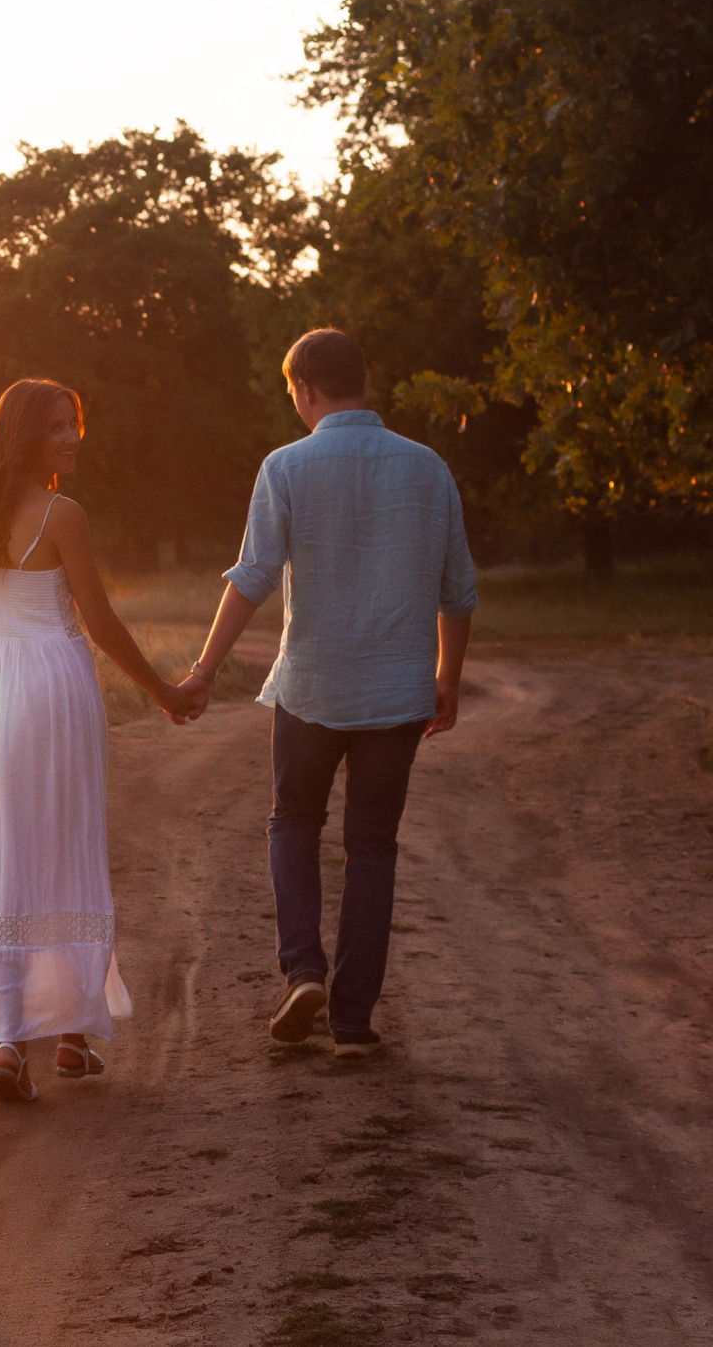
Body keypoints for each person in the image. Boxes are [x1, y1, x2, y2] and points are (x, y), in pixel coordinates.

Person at [177, 328, 477, 1058]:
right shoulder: (428, 467)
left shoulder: (286, 466)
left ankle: (303, 971)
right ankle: (352, 1022)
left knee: (293, 822)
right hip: (398, 694)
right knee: (372, 846)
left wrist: (205, 669)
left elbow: (253, 576)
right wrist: (447, 679)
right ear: (360, 381)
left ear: (305, 389)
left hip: (312, 687)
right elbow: (459, 591)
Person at [0, 378, 197, 1103]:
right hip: (53, 683)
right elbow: (101, 623)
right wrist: (164, 691)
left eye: (74, 424)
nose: (72, 437)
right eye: (57, 426)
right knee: (63, 840)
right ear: (25, 435)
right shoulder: (63, 514)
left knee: (4, 847)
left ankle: (22, 1040)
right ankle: (63, 1032)